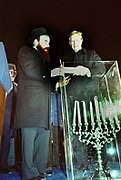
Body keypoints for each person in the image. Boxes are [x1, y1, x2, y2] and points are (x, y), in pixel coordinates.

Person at [59, 30, 106, 176]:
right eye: (72, 41)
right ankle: (81, 165)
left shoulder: (92, 54)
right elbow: (61, 79)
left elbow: (101, 69)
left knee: (97, 132)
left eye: (77, 40)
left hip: (92, 100)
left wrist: (87, 71)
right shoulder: (65, 58)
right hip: (73, 102)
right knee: (77, 134)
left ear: (82, 40)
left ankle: (101, 165)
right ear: (69, 43)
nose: (75, 43)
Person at [14, 27, 52, 180]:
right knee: (29, 139)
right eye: (45, 40)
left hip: (43, 107)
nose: (48, 44)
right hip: (29, 106)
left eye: (49, 41)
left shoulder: (45, 57)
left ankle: (40, 168)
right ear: (36, 41)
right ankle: (29, 173)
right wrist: (52, 74)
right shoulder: (26, 51)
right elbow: (33, 71)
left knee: (43, 136)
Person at [0, 63, 17, 173]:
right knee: (5, 142)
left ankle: (9, 163)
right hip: (5, 119)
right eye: (10, 73)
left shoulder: (16, 86)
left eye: (14, 73)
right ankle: (3, 166)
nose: (12, 75)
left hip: (13, 119)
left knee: (10, 142)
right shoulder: (3, 86)